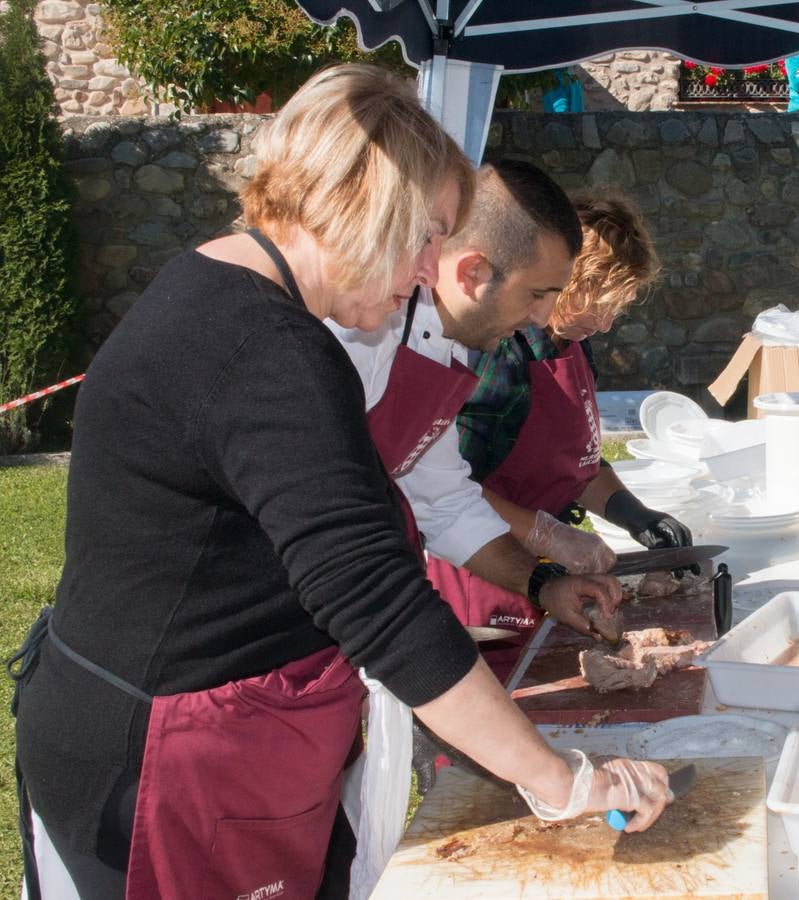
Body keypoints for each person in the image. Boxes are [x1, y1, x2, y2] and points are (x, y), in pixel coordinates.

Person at [10, 64, 670, 898]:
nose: (431, 265)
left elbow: (419, 504)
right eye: (427, 233)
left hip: (214, 714)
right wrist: (559, 778)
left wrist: (536, 575)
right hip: (167, 745)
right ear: (366, 208)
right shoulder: (267, 349)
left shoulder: (232, 300)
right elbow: (376, 598)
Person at [328, 159, 622, 650]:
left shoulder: (449, 345)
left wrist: (543, 582)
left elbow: (443, 501)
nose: (543, 316)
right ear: (471, 273)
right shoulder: (358, 332)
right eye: (536, 293)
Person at [443, 194, 687, 676]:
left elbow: (578, 462)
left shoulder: (573, 345)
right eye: (603, 303)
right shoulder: (501, 354)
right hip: (485, 572)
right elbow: (449, 486)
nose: (608, 322)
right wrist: (546, 534)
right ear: (571, 281)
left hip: (553, 575)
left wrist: (636, 515)